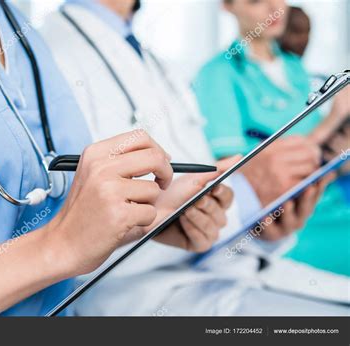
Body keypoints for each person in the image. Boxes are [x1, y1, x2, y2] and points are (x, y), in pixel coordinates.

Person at [0, 0, 234, 316]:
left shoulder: (21, 31)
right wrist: (55, 248)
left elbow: (54, 212)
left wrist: (148, 212)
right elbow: (57, 242)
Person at [40, 0, 346, 316]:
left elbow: (205, 188)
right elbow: (81, 232)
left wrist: (261, 231)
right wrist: (248, 192)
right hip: (147, 295)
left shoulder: (149, 57)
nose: (273, 9)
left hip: (231, 265)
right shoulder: (55, 53)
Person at [194, 0, 350, 275]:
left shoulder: (294, 67)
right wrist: (333, 118)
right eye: (256, 0)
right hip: (290, 224)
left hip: (333, 198)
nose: (274, 8)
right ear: (227, 6)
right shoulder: (217, 75)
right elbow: (246, 177)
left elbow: (319, 153)